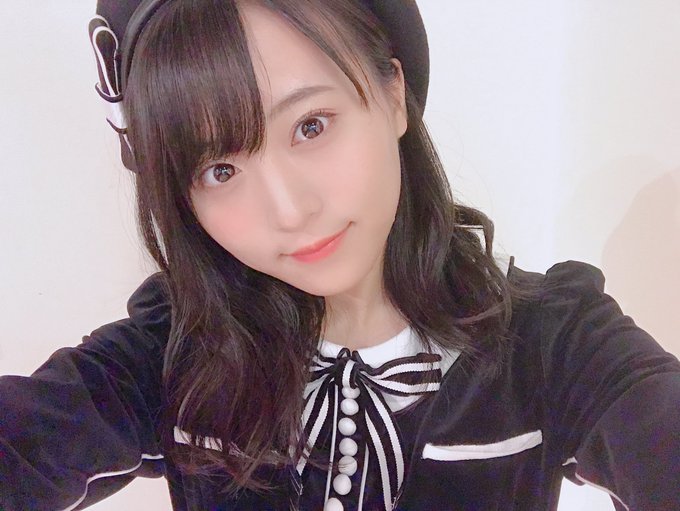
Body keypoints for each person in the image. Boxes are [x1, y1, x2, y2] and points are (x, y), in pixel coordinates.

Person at [1, 1, 678, 510]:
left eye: (310, 125)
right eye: (219, 170)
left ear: (393, 94)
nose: (289, 210)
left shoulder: (552, 343)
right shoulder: (175, 350)